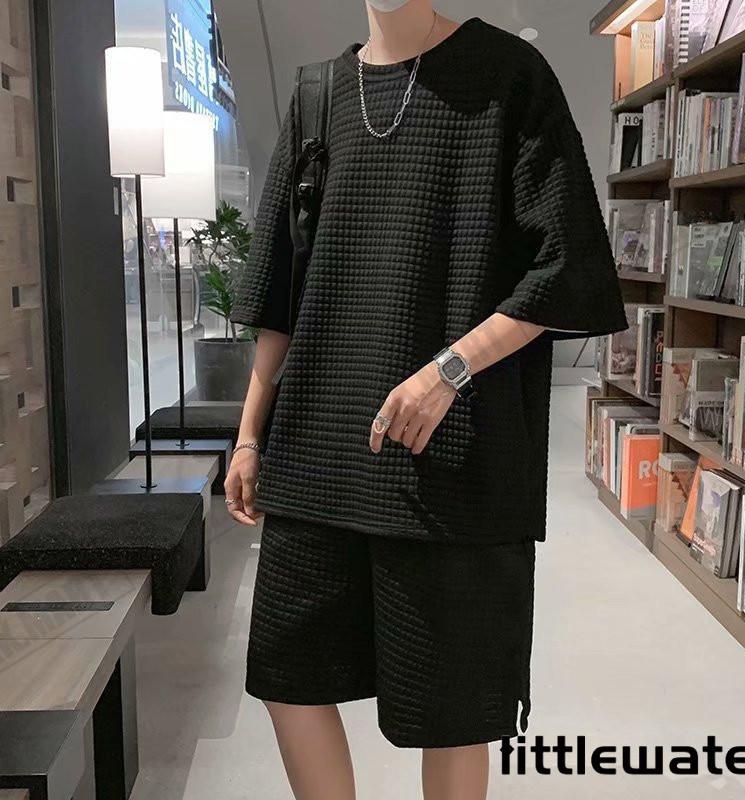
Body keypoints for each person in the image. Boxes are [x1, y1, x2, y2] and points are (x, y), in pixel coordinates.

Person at [225, 1, 626, 798]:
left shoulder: (508, 78)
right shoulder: (316, 96)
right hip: (317, 458)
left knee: (452, 710)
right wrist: (247, 436)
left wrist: (450, 370)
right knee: (285, 673)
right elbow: (281, 290)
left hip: (452, 465)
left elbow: (569, 264)